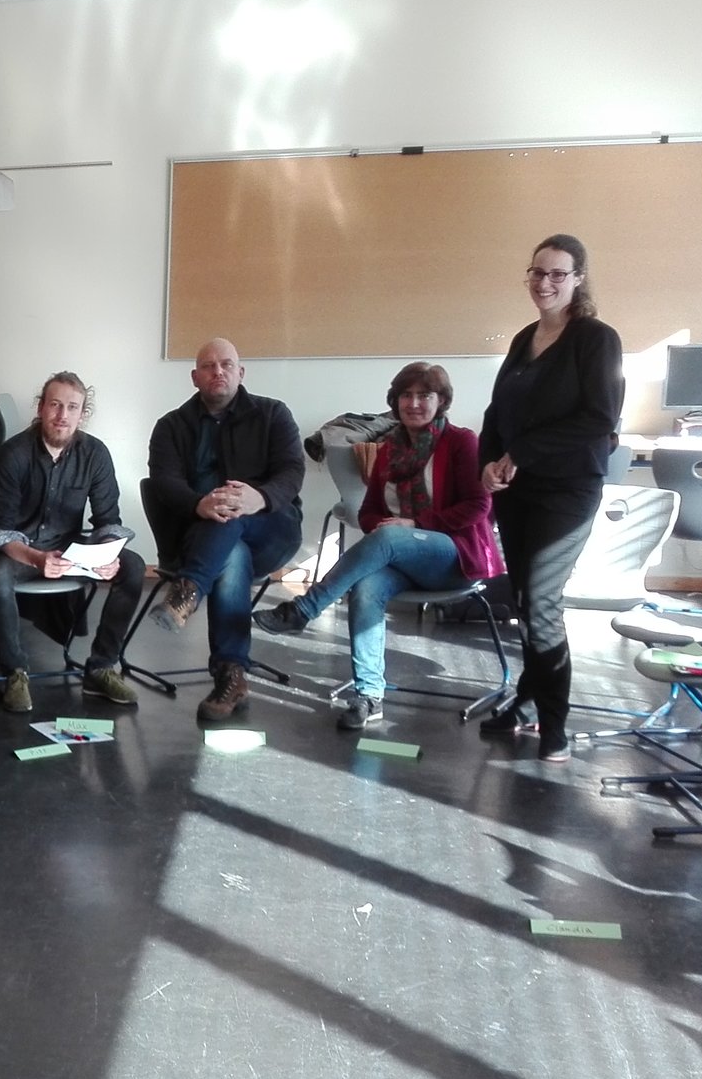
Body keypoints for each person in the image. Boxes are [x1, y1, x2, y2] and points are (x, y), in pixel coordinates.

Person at [254, 363, 502, 730]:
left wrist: (413, 525)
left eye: (424, 395)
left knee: (389, 538)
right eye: (406, 395)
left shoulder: (461, 442)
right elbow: (368, 513)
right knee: (367, 587)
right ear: (395, 401)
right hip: (401, 558)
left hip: (454, 556)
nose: (413, 403)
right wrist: (388, 529)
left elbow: (479, 506)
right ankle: (369, 696)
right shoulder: (388, 451)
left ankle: (304, 609)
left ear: (441, 401)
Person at [477, 234, 625, 763]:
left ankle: (554, 725)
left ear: (578, 279)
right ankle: (525, 702)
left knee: (541, 601)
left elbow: (599, 418)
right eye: (538, 272)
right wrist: (488, 462)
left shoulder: (596, 339)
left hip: (568, 488)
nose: (545, 282)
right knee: (522, 601)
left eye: (558, 274)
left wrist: (520, 451)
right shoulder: (525, 338)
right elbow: (497, 413)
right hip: (516, 489)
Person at [147, 339, 306, 721]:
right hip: (202, 532)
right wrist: (197, 504)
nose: (218, 371)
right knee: (231, 553)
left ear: (240, 372)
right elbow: (163, 481)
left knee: (233, 519)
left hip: (272, 528)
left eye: (226, 364)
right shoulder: (171, 426)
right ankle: (231, 675)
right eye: (208, 366)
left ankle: (188, 590)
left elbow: (292, 471)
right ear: (195, 377)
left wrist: (259, 497)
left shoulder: (273, 414)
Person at [0, 371, 144, 713]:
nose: (62, 415)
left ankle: (101, 667)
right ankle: (15, 672)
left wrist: (108, 552)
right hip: (21, 551)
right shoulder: (14, 453)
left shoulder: (95, 453)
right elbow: (0, 531)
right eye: (55, 405)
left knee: (132, 567)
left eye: (72, 407)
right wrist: (36, 558)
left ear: (83, 414)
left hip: (68, 550)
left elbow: (108, 520)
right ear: (41, 408)